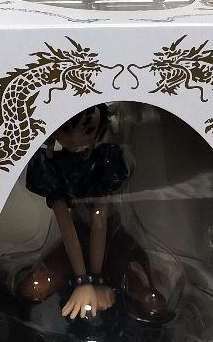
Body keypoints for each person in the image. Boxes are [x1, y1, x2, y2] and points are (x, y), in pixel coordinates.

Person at [15, 104, 167, 324]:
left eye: (86, 130)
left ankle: (154, 275)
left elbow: (99, 220)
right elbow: (66, 225)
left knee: (152, 303)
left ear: (100, 130)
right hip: (75, 241)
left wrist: (95, 281)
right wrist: (83, 281)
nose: (75, 139)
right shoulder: (51, 166)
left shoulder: (106, 160)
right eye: (65, 130)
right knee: (32, 288)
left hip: (114, 241)